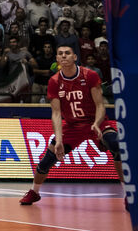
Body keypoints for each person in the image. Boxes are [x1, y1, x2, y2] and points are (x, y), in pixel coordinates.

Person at [20, 45, 124, 205]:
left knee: (117, 145)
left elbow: (100, 105)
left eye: (67, 53)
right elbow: (55, 113)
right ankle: (34, 192)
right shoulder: (54, 82)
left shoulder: (90, 75)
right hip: (72, 127)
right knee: (46, 161)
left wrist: (96, 123)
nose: (64, 56)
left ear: (75, 57)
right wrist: (59, 140)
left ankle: (127, 194)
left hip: (95, 122)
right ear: (57, 59)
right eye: (60, 53)